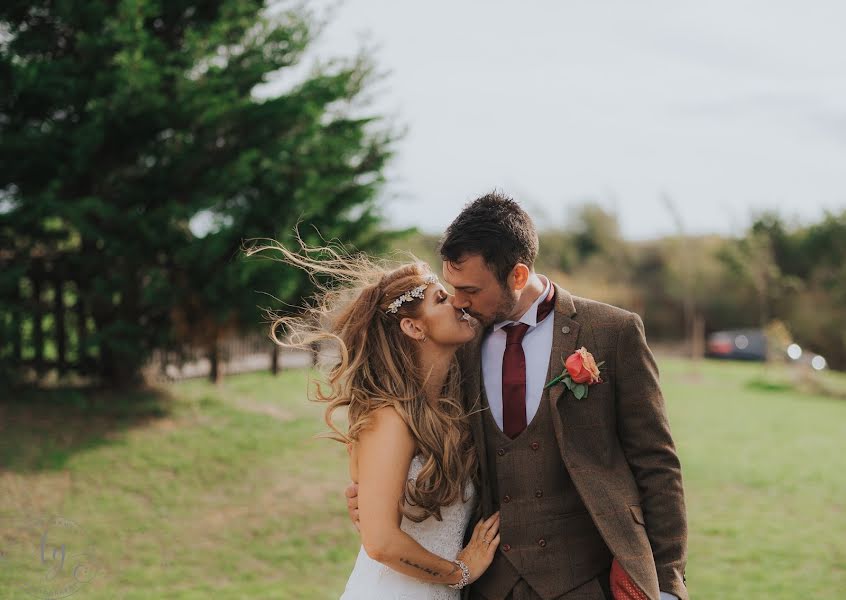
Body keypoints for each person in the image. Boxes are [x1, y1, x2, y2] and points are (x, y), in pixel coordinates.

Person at [344, 192, 689, 600]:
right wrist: (376, 497)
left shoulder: (612, 332)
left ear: (518, 276)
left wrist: (668, 585)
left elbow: (656, 464)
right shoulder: (457, 346)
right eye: (450, 288)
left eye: (470, 289)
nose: (458, 301)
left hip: (586, 581)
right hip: (487, 587)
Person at [245, 239, 502, 599]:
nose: (458, 303)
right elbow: (380, 542)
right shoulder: (390, 417)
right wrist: (460, 572)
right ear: (414, 328)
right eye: (441, 300)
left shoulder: (447, 409)